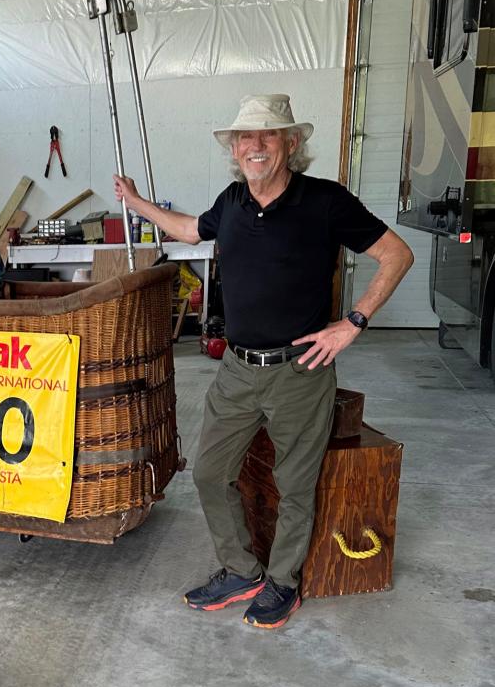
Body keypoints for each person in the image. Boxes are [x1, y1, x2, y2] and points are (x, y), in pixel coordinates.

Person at [113, 94, 413, 629]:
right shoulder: (231, 202)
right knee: (209, 473)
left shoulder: (325, 202)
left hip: (301, 369)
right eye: (244, 138)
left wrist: (354, 323)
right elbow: (189, 230)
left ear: (291, 143)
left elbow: (396, 254)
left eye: (268, 135)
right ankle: (241, 571)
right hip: (237, 367)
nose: (255, 146)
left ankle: (283, 584)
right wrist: (137, 204)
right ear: (233, 149)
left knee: (294, 484)